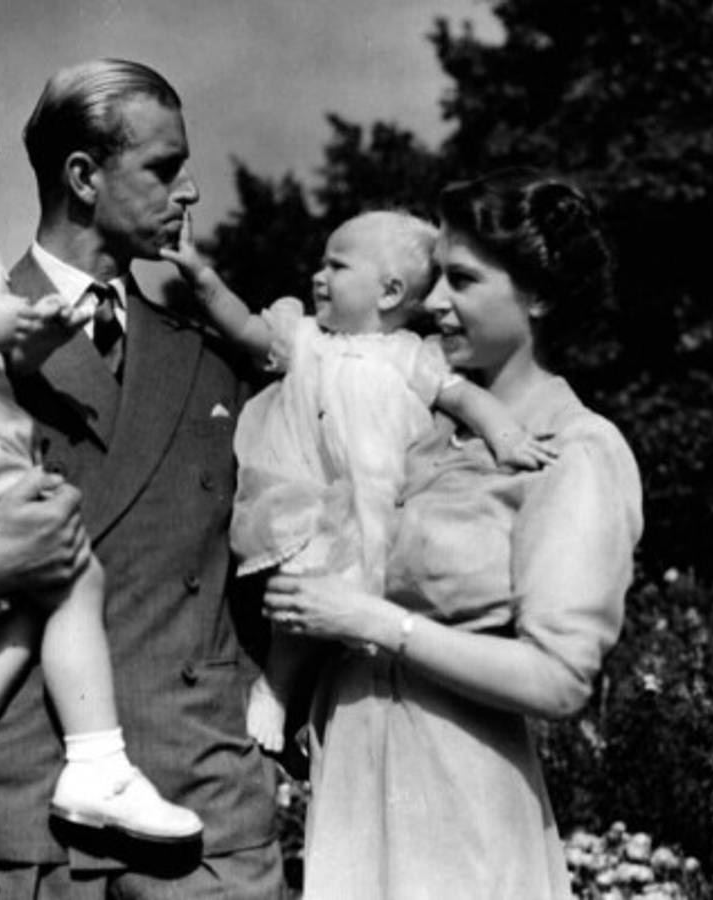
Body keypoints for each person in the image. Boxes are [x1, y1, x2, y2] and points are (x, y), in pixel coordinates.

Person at [0, 57, 284, 899]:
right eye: (164, 167)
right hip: (30, 819)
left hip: (203, 811)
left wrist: (272, 706)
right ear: (83, 176)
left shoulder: (209, 354)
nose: (189, 191)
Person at [261, 169, 644, 899]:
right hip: (351, 795)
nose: (432, 301)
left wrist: (377, 621)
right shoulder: (419, 433)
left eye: (461, 280)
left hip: (460, 816)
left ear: (538, 295)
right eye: (434, 277)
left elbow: (558, 680)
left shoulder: (574, 451)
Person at [162, 209, 556, 753]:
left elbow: (465, 398)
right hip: (311, 501)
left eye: (337, 266)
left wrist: (505, 433)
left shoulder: (412, 357)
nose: (317, 276)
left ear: (390, 292)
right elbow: (248, 330)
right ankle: (275, 689)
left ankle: (318, 714)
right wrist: (202, 279)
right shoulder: (305, 340)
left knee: (361, 620)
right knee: (302, 600)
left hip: (382, 507)